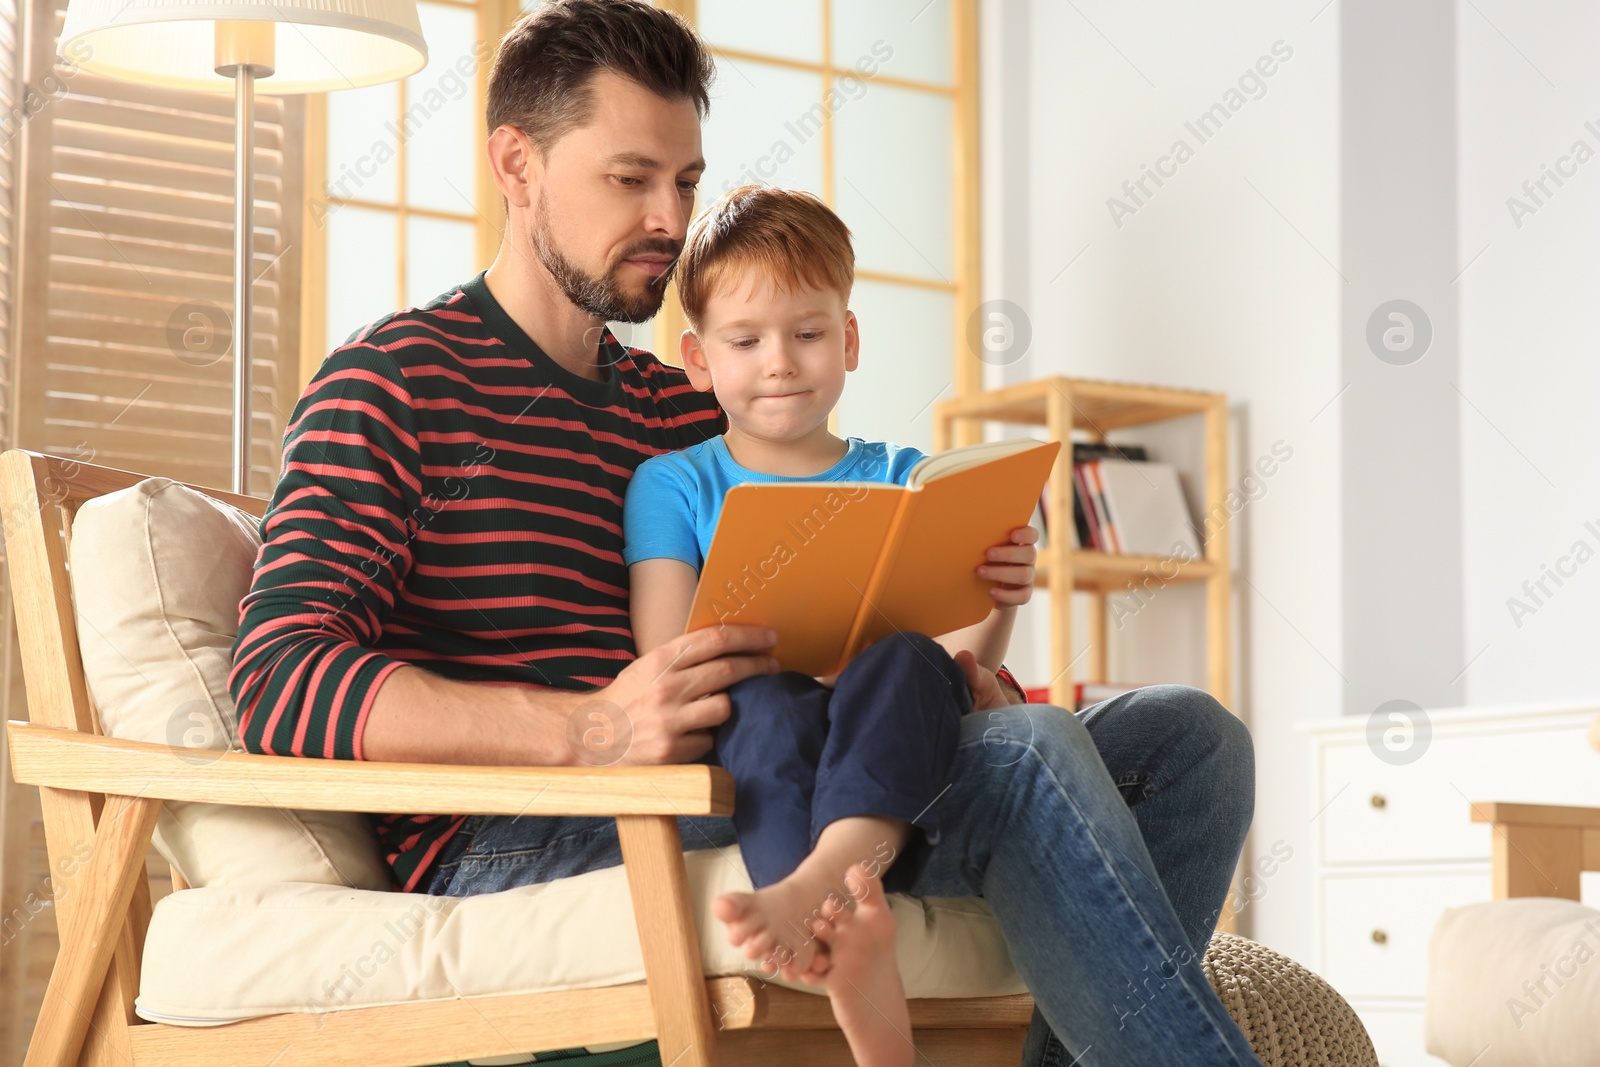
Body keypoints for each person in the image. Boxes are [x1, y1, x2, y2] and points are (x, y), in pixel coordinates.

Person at [229, 1, 1263, 1063]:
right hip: (534, 825)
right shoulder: (392, 382)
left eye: (683, 181)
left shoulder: (684, 405)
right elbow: (277, 679)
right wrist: (588, 728)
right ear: (516, 163)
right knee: (1030, 753)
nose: (670, 220)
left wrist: (954, 665)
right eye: (629, 180)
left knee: (1189, 740)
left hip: (779, 764)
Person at [621, 184, 1039, 1067]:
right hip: (764, 725)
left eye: (808, 334)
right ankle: (849, 925)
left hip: (894, 730)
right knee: (766, 703)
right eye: (745, 341)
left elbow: (959, 670)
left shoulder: (905, 473)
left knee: (902, 661)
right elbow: (667, 655)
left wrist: (999, 603)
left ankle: (822, 892)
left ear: (847, 341)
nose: (780, 361)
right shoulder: (674, 483)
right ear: (698, 359)